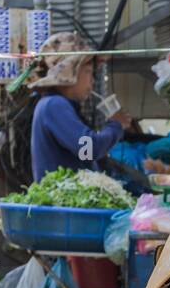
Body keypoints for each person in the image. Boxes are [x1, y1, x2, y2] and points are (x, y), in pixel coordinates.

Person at [28, 32, 132, 182]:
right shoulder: (54, 105)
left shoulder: (56, 104)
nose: (92, 81)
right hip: (62, 201)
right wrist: (116, 125)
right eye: (88, 72)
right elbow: (89, 150)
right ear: (70, 72)